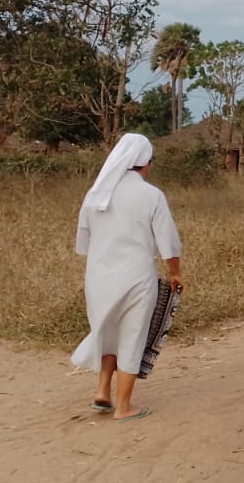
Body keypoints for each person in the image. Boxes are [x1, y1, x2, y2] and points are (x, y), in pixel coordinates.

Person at [71, 133, 183, 422]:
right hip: (136, 277)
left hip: (98, 276)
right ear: (145, 163)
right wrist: (175, 273)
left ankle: (102, 391)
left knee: (106, 331)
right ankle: (124, 407)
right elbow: (167, 242)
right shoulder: (151, 195)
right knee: (132, 335)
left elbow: (83, 241)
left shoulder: (96, 194)